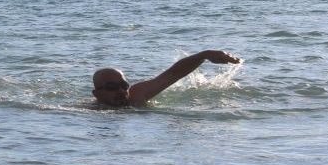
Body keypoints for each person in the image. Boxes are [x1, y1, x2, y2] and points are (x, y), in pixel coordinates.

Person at [92, 50, 241, 107]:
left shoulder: (136, 95)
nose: (120, 91)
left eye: (124, 85)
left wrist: (204, 55)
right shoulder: (90, 111)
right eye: (111, 87)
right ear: (97, 94)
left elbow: (173, 74)